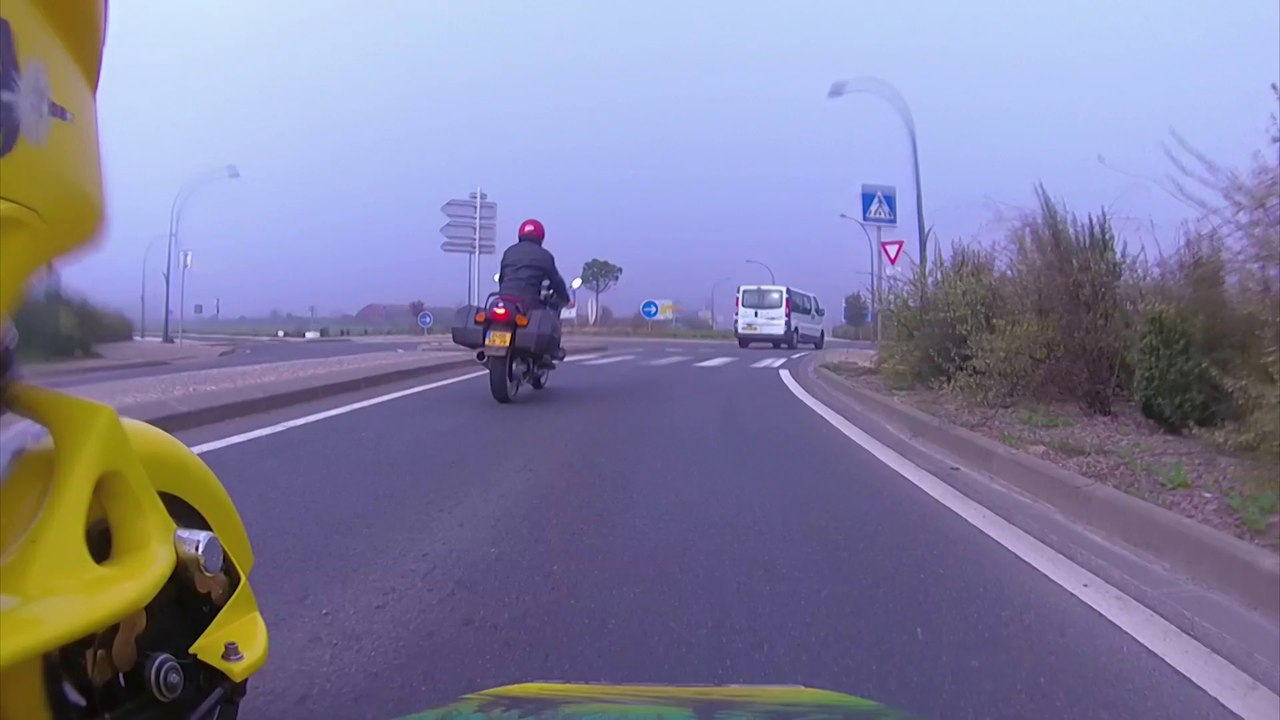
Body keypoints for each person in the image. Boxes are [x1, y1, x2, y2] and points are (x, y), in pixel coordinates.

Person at [497, 218, 570, 363]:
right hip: (528, 302)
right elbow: (555, 280)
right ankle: (553, 350)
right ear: (541, 236)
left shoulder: (509, 252)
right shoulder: (545, 256)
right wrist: (563, 296)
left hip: (504, 300)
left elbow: (502, 277)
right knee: (550, 313)